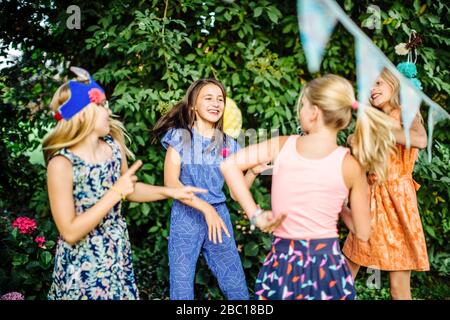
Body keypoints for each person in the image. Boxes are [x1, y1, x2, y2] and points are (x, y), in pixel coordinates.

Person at [221, 74, 395, 300]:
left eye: (302, 105)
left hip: (285, 261)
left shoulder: (283, 145)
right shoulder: (351, 165)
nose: (300, 111)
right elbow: (362, 232)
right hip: (328, 266)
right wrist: (339, 207)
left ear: (314, 112)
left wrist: (256, 215)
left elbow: (228, 165)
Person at [43, 67, 205, 300]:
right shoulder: (61, 164)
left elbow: (129, 189)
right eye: (102, 105)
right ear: (83, 114)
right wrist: (115, 193)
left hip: (116, 256)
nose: (108, 111)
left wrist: (171, 191)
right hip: (82, 267)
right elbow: (69, 231)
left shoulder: (113, 147)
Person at [343, 68, 429, 300]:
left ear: (395, 85)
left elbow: (420, 139)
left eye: (378, 83)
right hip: (371, 199)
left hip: (398, 202)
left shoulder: (405, 114)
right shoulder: (372, 119)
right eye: (369, 86)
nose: (372, 89)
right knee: (345, 272)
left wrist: (382, 131)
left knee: (399, 288)